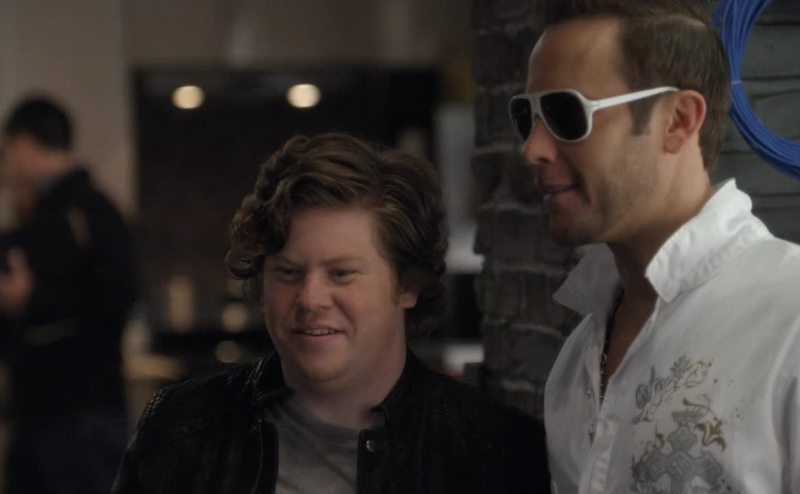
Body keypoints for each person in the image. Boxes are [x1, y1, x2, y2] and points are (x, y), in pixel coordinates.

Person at [112, 132, 551, 493]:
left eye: (341, 274)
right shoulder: (180, 431)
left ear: (408, 284)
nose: (310, 298)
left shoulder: (494, 452)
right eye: (288, 272)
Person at [508, 1, 800, 492]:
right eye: (527, 116)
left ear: (678, 120)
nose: (532, 148)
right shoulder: (576, 362)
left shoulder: (789, 321)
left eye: (565, 114)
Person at [0, 96, 138, 493]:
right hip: (43, 412)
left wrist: (29, 302)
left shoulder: (87, 214)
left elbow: (116, 298)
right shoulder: (56, 214)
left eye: (8, 151)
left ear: (24, 144)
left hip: (81, 412)